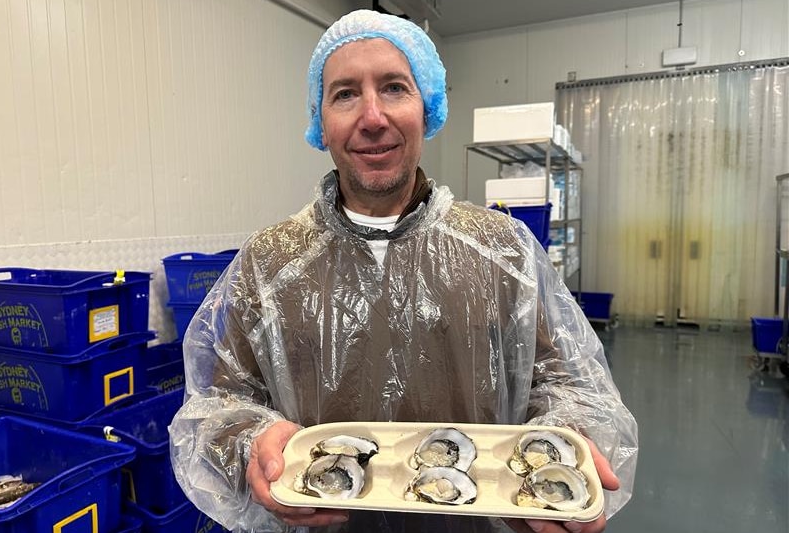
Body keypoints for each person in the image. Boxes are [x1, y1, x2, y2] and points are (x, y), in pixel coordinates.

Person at [169, 9, 638, 533]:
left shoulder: (505, 252)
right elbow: (217, 406)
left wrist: (557, 455)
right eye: (345, 93)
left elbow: (571, 389)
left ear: (428, 106)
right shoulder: (270, 262)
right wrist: (253, 443)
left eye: (394, 87)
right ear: (319, 121)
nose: (372, 117)